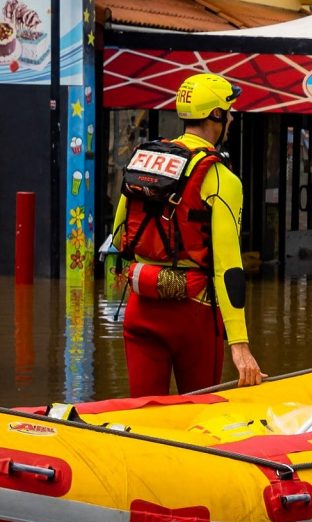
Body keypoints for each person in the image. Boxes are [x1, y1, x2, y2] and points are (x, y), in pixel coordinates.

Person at [109, 71, 263, 397]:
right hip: (192, 313)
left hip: (140, 306)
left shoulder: (146, 160)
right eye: (229, 111)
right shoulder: (222, 179)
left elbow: (119, 231)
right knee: (199, 418)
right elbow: (228, 267)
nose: (233, 118)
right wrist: (240, 345)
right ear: (216, 115)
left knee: (145, 416)